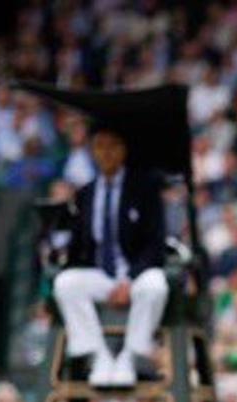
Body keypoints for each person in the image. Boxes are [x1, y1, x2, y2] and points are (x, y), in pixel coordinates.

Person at [54, 124, 168, 387]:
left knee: (156, 286)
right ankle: (98, 355)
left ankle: (131, 356)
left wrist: (129, 279)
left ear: (123, 150)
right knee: (66, 283)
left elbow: (155, 244)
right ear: (92, 151)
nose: (105, 153)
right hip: (102, 276)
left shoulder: (145, 188)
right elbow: (80, 247)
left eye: (111, 146)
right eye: (99, 146)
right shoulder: (86, 193)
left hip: (136, 274)